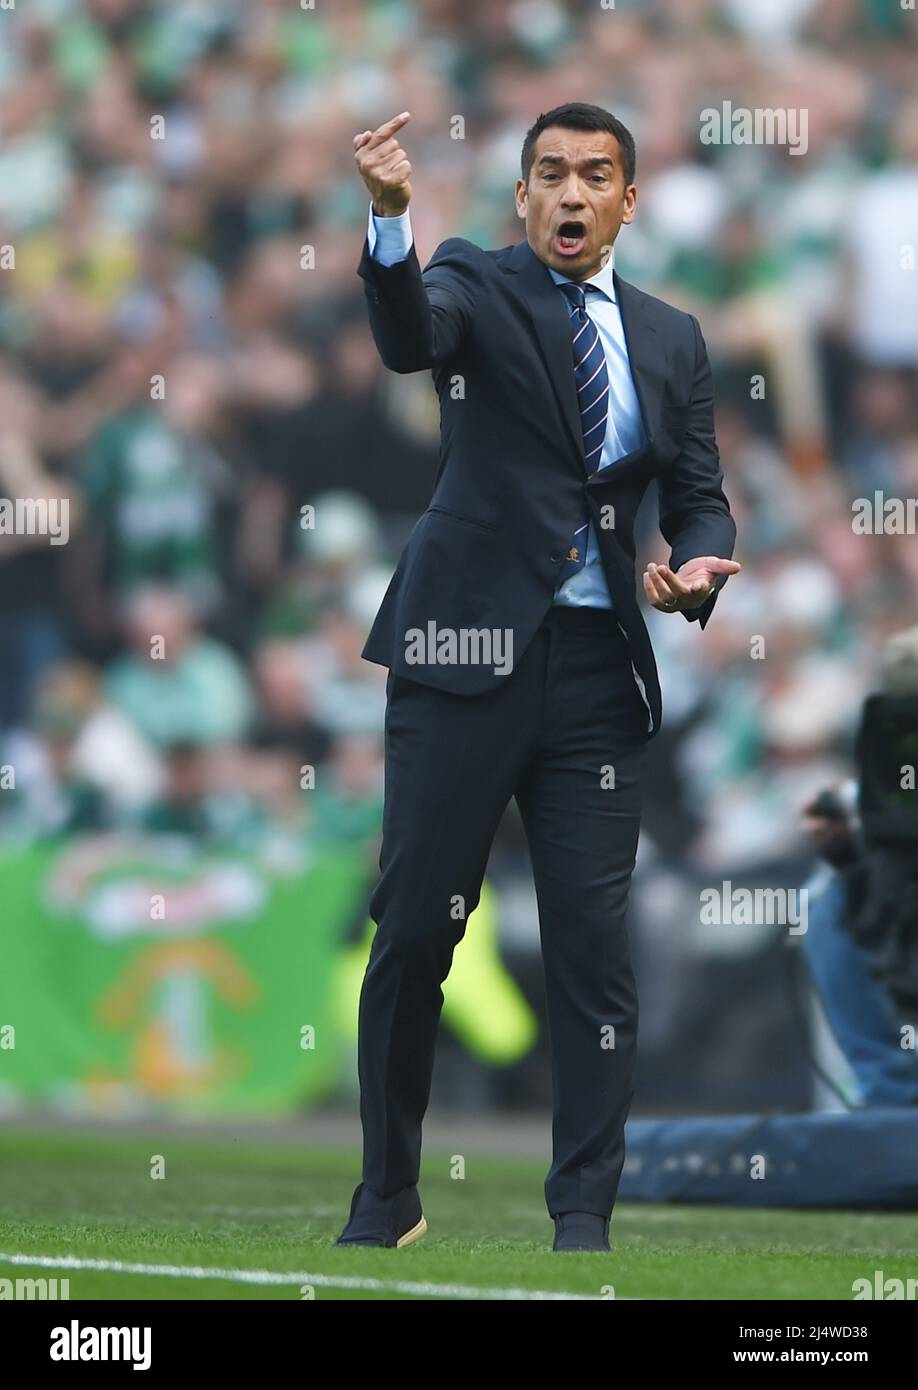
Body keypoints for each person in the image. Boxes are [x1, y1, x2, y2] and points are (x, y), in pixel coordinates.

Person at [336, 102, 740, 1252]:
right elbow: (411, 335)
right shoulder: (471, 277)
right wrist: (388, 221)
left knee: (592, 950)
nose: (570, 192)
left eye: (594, 175)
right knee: (417, 926)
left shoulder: (672, 339)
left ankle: (583, 1215)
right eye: (550, 174)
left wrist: (699, 566)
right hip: (462, 656)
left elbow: (697, 491)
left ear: (628, 200)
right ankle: (388, 1196)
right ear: (523, 198)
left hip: (596, 675)